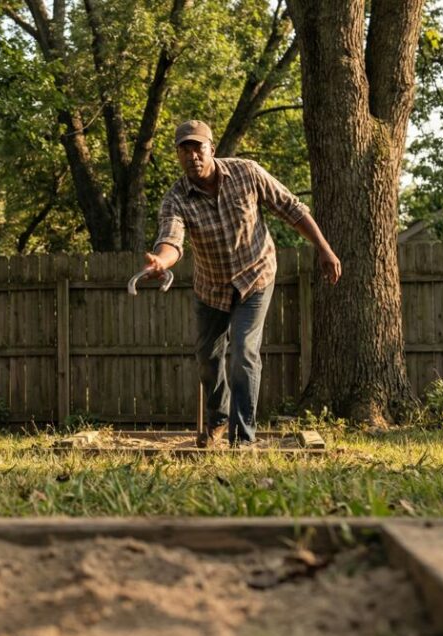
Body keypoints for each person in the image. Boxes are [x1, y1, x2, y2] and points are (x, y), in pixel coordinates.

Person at [144, 120, 341, 447]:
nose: (192, 156)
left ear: (212, 149)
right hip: (212, 287)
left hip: (255, 276)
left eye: (198, 148)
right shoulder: (176, 198)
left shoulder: (247, 173)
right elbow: (171, 239)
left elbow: (291, 208)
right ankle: (218, 416)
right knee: (207, 358)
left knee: (244, 353)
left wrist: (324, 248)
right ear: (178, 155)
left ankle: (243, 440)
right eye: (185, 149)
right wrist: (161, 262)